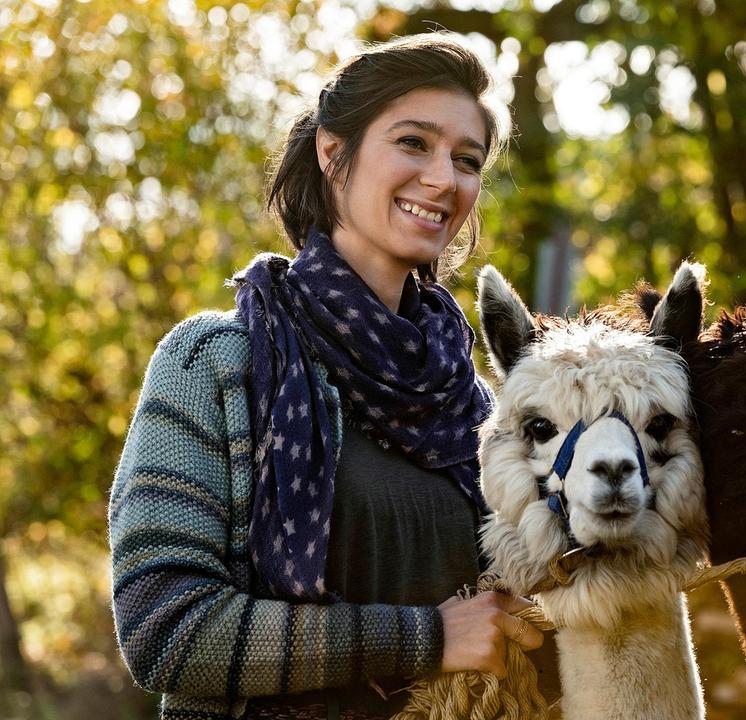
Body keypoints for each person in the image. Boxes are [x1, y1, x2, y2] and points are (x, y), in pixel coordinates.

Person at [108, 33, 545, 720]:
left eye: (467, 160)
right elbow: (164, 628)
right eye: (412, 143)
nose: (443, 179)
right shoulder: (218, 363)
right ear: (332, 152)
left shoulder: (474, 407)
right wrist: (426, 638)